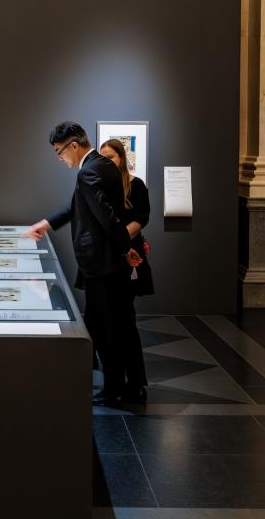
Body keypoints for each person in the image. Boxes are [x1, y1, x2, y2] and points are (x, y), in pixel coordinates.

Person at [24, 122, 140, 405]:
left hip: (100, 264)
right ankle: (124, 385)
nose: (61, 159)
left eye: (59, 152)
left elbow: (106, 217)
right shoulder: (104, 166)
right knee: (109, 323)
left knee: (104, 327)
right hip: (107, 261)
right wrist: (47, 223)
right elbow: (78, 208)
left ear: (73, 146)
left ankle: (113, 388)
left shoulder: (87, 173)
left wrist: (125, 248)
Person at [99, 138, 154, 402]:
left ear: (121, 157)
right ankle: (116, 383)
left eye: (111, 157)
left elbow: (141, 218)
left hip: (127, 259)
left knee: (125, 323)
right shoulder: (101, 185)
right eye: (103, 157)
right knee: (110, 324)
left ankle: (135, 383)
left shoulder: (135, 185)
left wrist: (119, 238)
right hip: (108, 259)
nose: (107, 161)